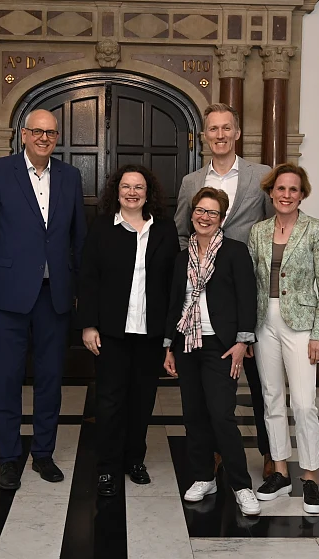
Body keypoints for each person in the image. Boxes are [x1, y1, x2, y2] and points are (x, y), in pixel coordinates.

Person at [0, 109, 87, 491]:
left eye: (50, 133)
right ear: (23, 134)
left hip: (54, 298)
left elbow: (78, 241)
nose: (44, 138)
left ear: (57, 137)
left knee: (51, 380)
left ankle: (43, 454)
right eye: (37, 131)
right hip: (5, 298)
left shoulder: (70, 176)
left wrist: (82, 292)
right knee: (8, 379)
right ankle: (7, 457)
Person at [175, 103, 274, 479]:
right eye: (212, 129)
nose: (219, 135)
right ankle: (214, 452)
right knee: (212, 386)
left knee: (261, 382)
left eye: (226, 128)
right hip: (204, 303)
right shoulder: (190, 182)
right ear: (204, 136)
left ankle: (271, 453)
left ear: (236, 133)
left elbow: (270, 228)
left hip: (249, 296)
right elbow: (183, 233)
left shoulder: (260, 175)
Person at [78, 164, 179, 497]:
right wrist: (89, 324)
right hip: (111, 333)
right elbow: (88, 278)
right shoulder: (102, 228)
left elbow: (172, 286)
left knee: (142, 402)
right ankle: (107, 467)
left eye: (139, 187)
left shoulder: (164, 230)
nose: (132, 192)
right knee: (109, 403)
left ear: (148, 193)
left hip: (150, 335)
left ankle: (135, 460)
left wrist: (169, 338)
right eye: (126, 186)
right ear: (116, 191)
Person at [164, 187, 261, 517]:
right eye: (200, 211)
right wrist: (169, 346)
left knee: (221, 414)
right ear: (192, 214)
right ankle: (204, 476)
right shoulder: (181, 257)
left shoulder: (234, 252)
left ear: (222, 219)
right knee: (194, 415)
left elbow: (248, 298)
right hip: (188, 344)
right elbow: (173, 303)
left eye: (212, 213)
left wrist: (242, 342)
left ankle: (241, 484)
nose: (205, 217)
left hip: (222, 346)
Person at [247, 163, 319, 514]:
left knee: (302, 403)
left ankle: (310, 477)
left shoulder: (317, 230)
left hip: (300, 324)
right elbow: (250, 283)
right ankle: (280, 471)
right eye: (280, 189)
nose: (286, 195)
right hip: (262, 322)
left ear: (302, 194)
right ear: (271, 193)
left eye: (293, 190)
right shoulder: (258, 231)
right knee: (270, 398)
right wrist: (246, 332)